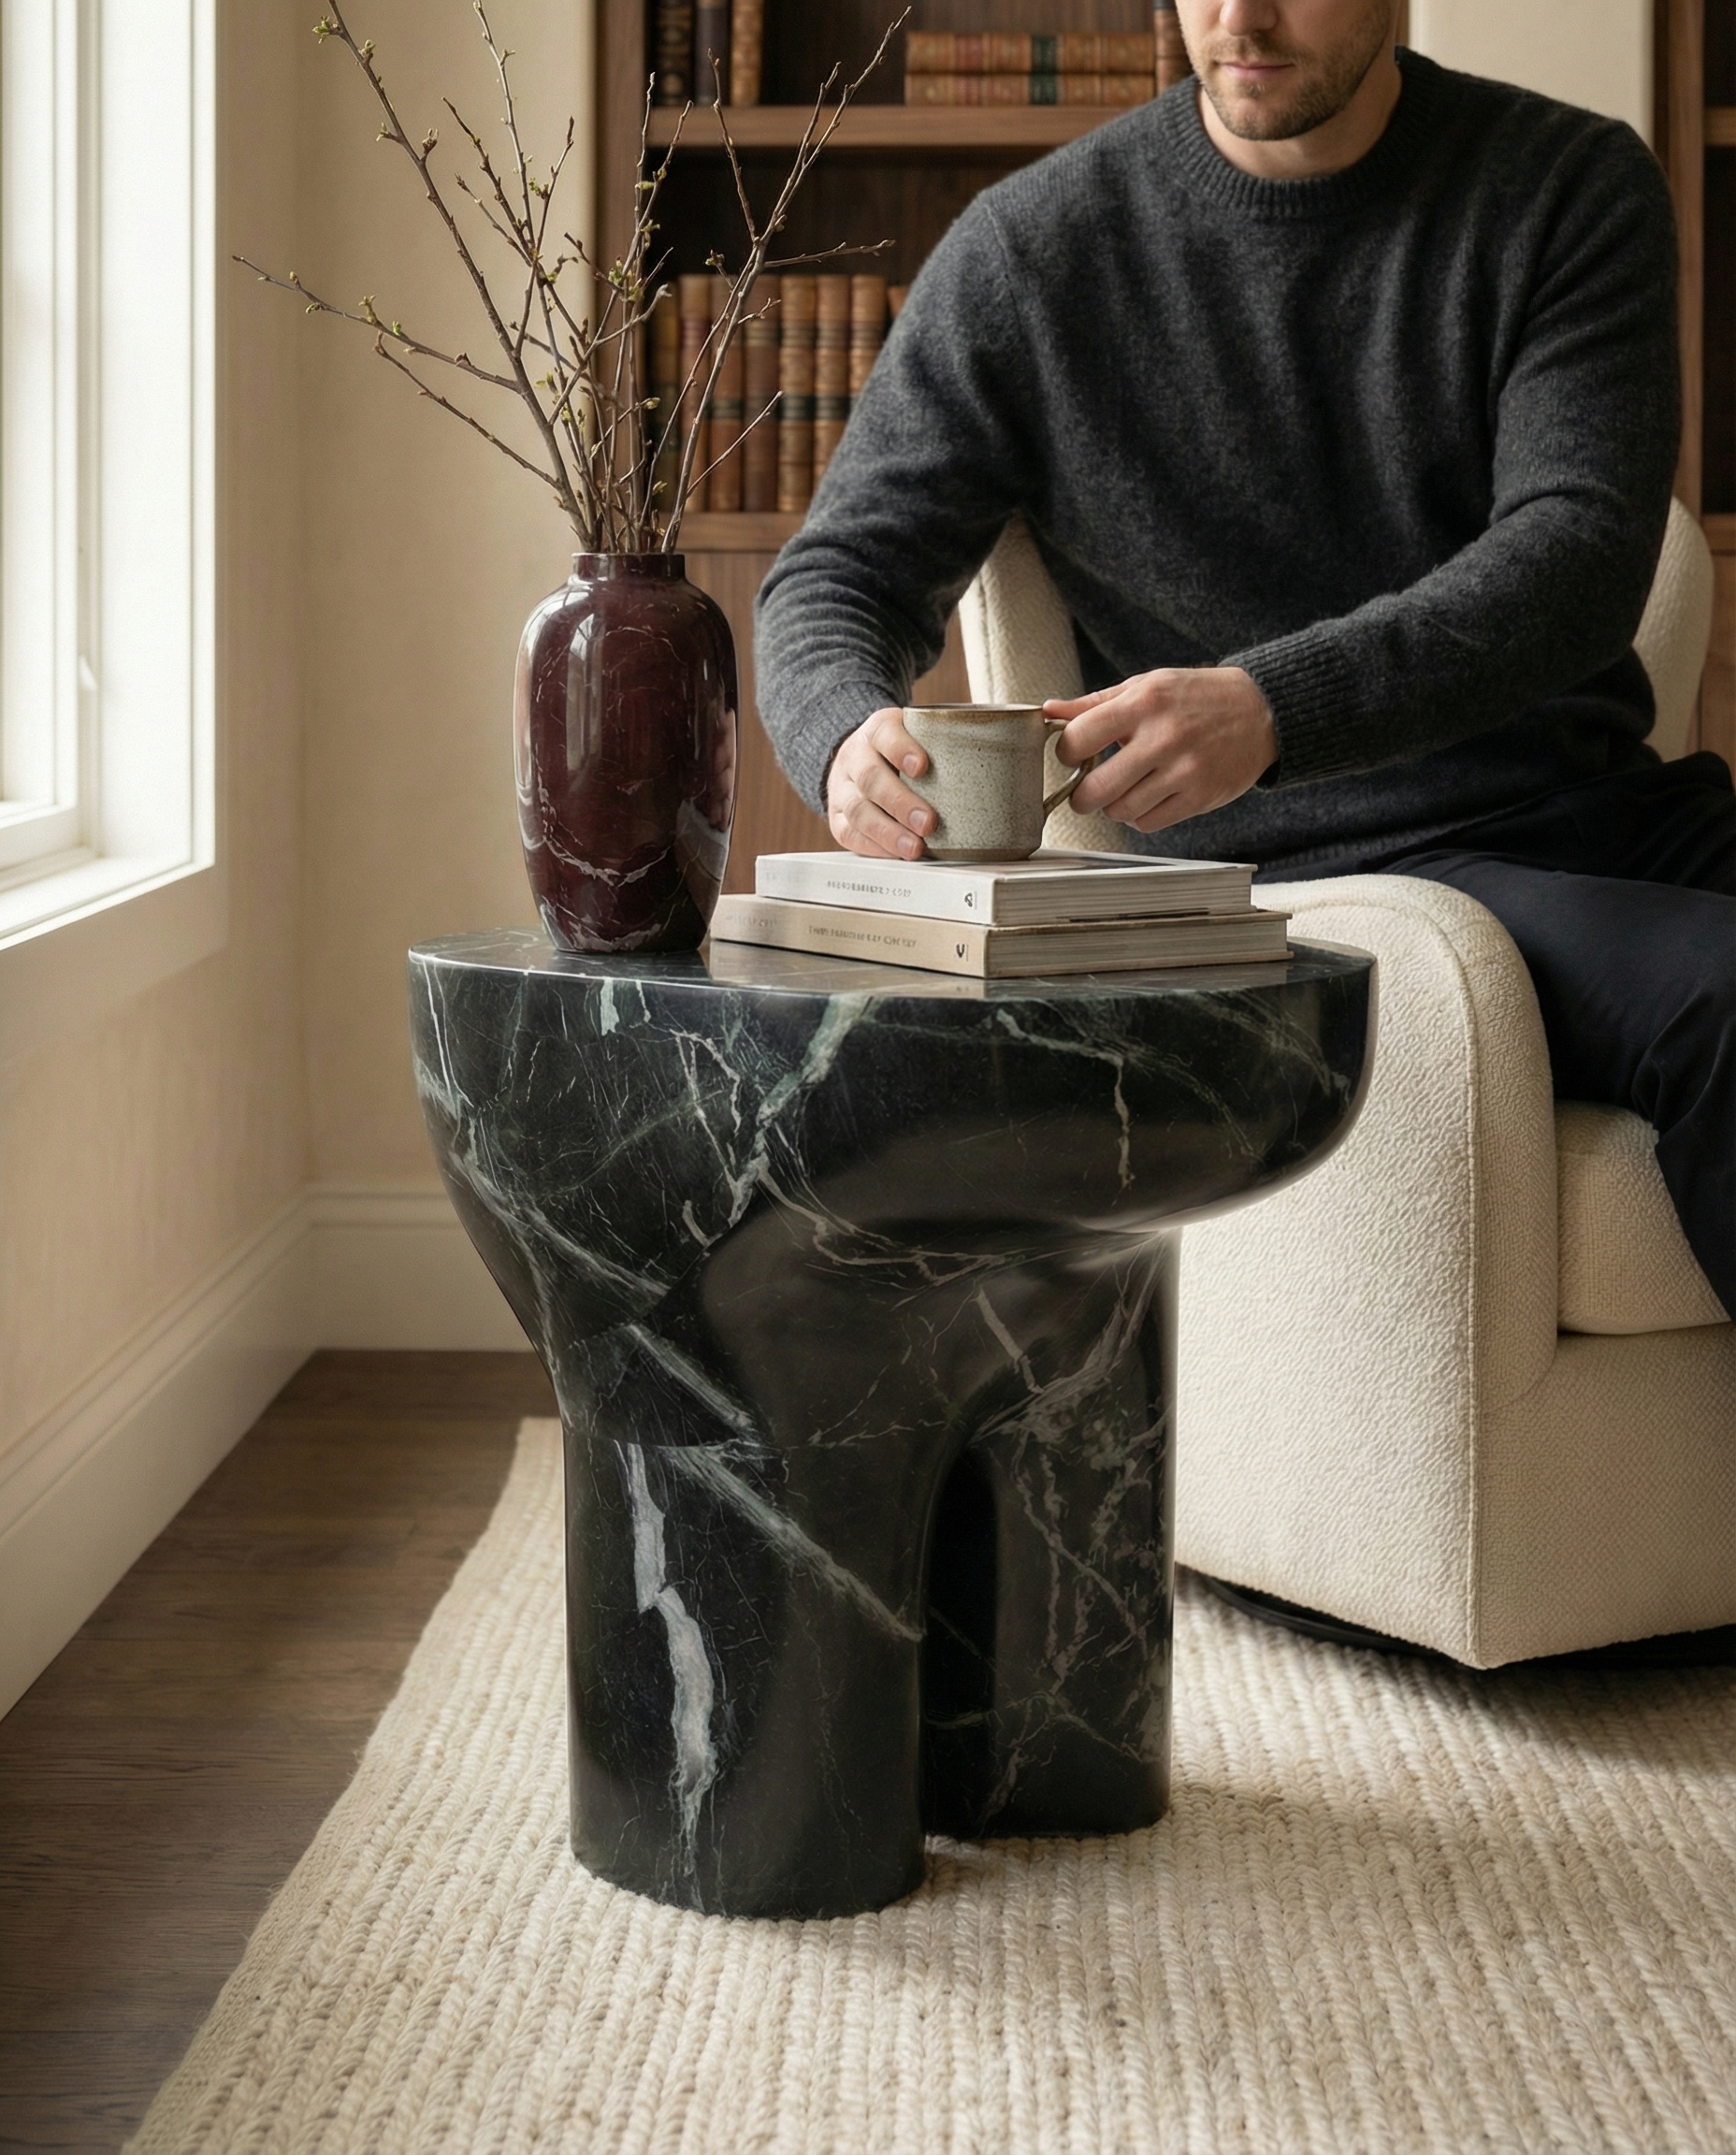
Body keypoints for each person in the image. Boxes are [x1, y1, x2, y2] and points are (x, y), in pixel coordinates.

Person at [753, 0, 1734, 1320]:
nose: (1241, 14)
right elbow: (838, 576)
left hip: (1602, 819)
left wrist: (1278, 702)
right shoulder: (1035, 253)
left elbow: (1578, 561)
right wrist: (841, 734)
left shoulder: (1563, 183)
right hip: (1323, 883)